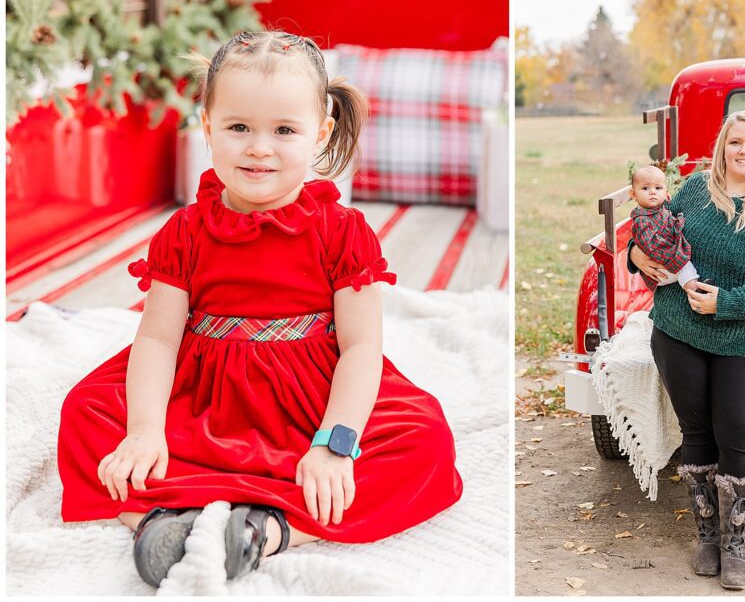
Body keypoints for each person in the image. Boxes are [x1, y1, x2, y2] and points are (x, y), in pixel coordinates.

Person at [57, 31, 463, 587]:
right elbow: (156, 341)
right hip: (202, 395)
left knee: (425, 439)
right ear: (207, 125)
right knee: (85, 413)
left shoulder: (342, 232)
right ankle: (154, 525)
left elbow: (362, 348)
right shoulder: (185, 232)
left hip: (309, 402)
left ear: (320, 133)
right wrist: (146, 431)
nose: (259, 147)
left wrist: (334, 443)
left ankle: (266, 531)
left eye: (285, 131)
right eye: (239, 127)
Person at [628, 111, 745, 591]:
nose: (743, 150)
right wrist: (635, 257)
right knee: (697, 432)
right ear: (723, 146)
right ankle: (707, 534)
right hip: (677, 331)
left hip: (742, 340)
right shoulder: (691, 190)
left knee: (741, 437)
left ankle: (736, 543)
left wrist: (727, 302)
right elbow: (651, 233)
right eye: (735, 142)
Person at [629, 164, 700, 291]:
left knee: (685, 266)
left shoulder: (660, 210)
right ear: (633, 195)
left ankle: (698, 284)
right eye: (645, 188)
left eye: (658, 188)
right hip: (659, 268)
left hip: (664, 263)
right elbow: (651, 245)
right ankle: (695, 290)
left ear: (666, 193)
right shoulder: (642, 221)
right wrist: (675, 255)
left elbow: (669, 222)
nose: (652, 192)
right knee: (684, 266)